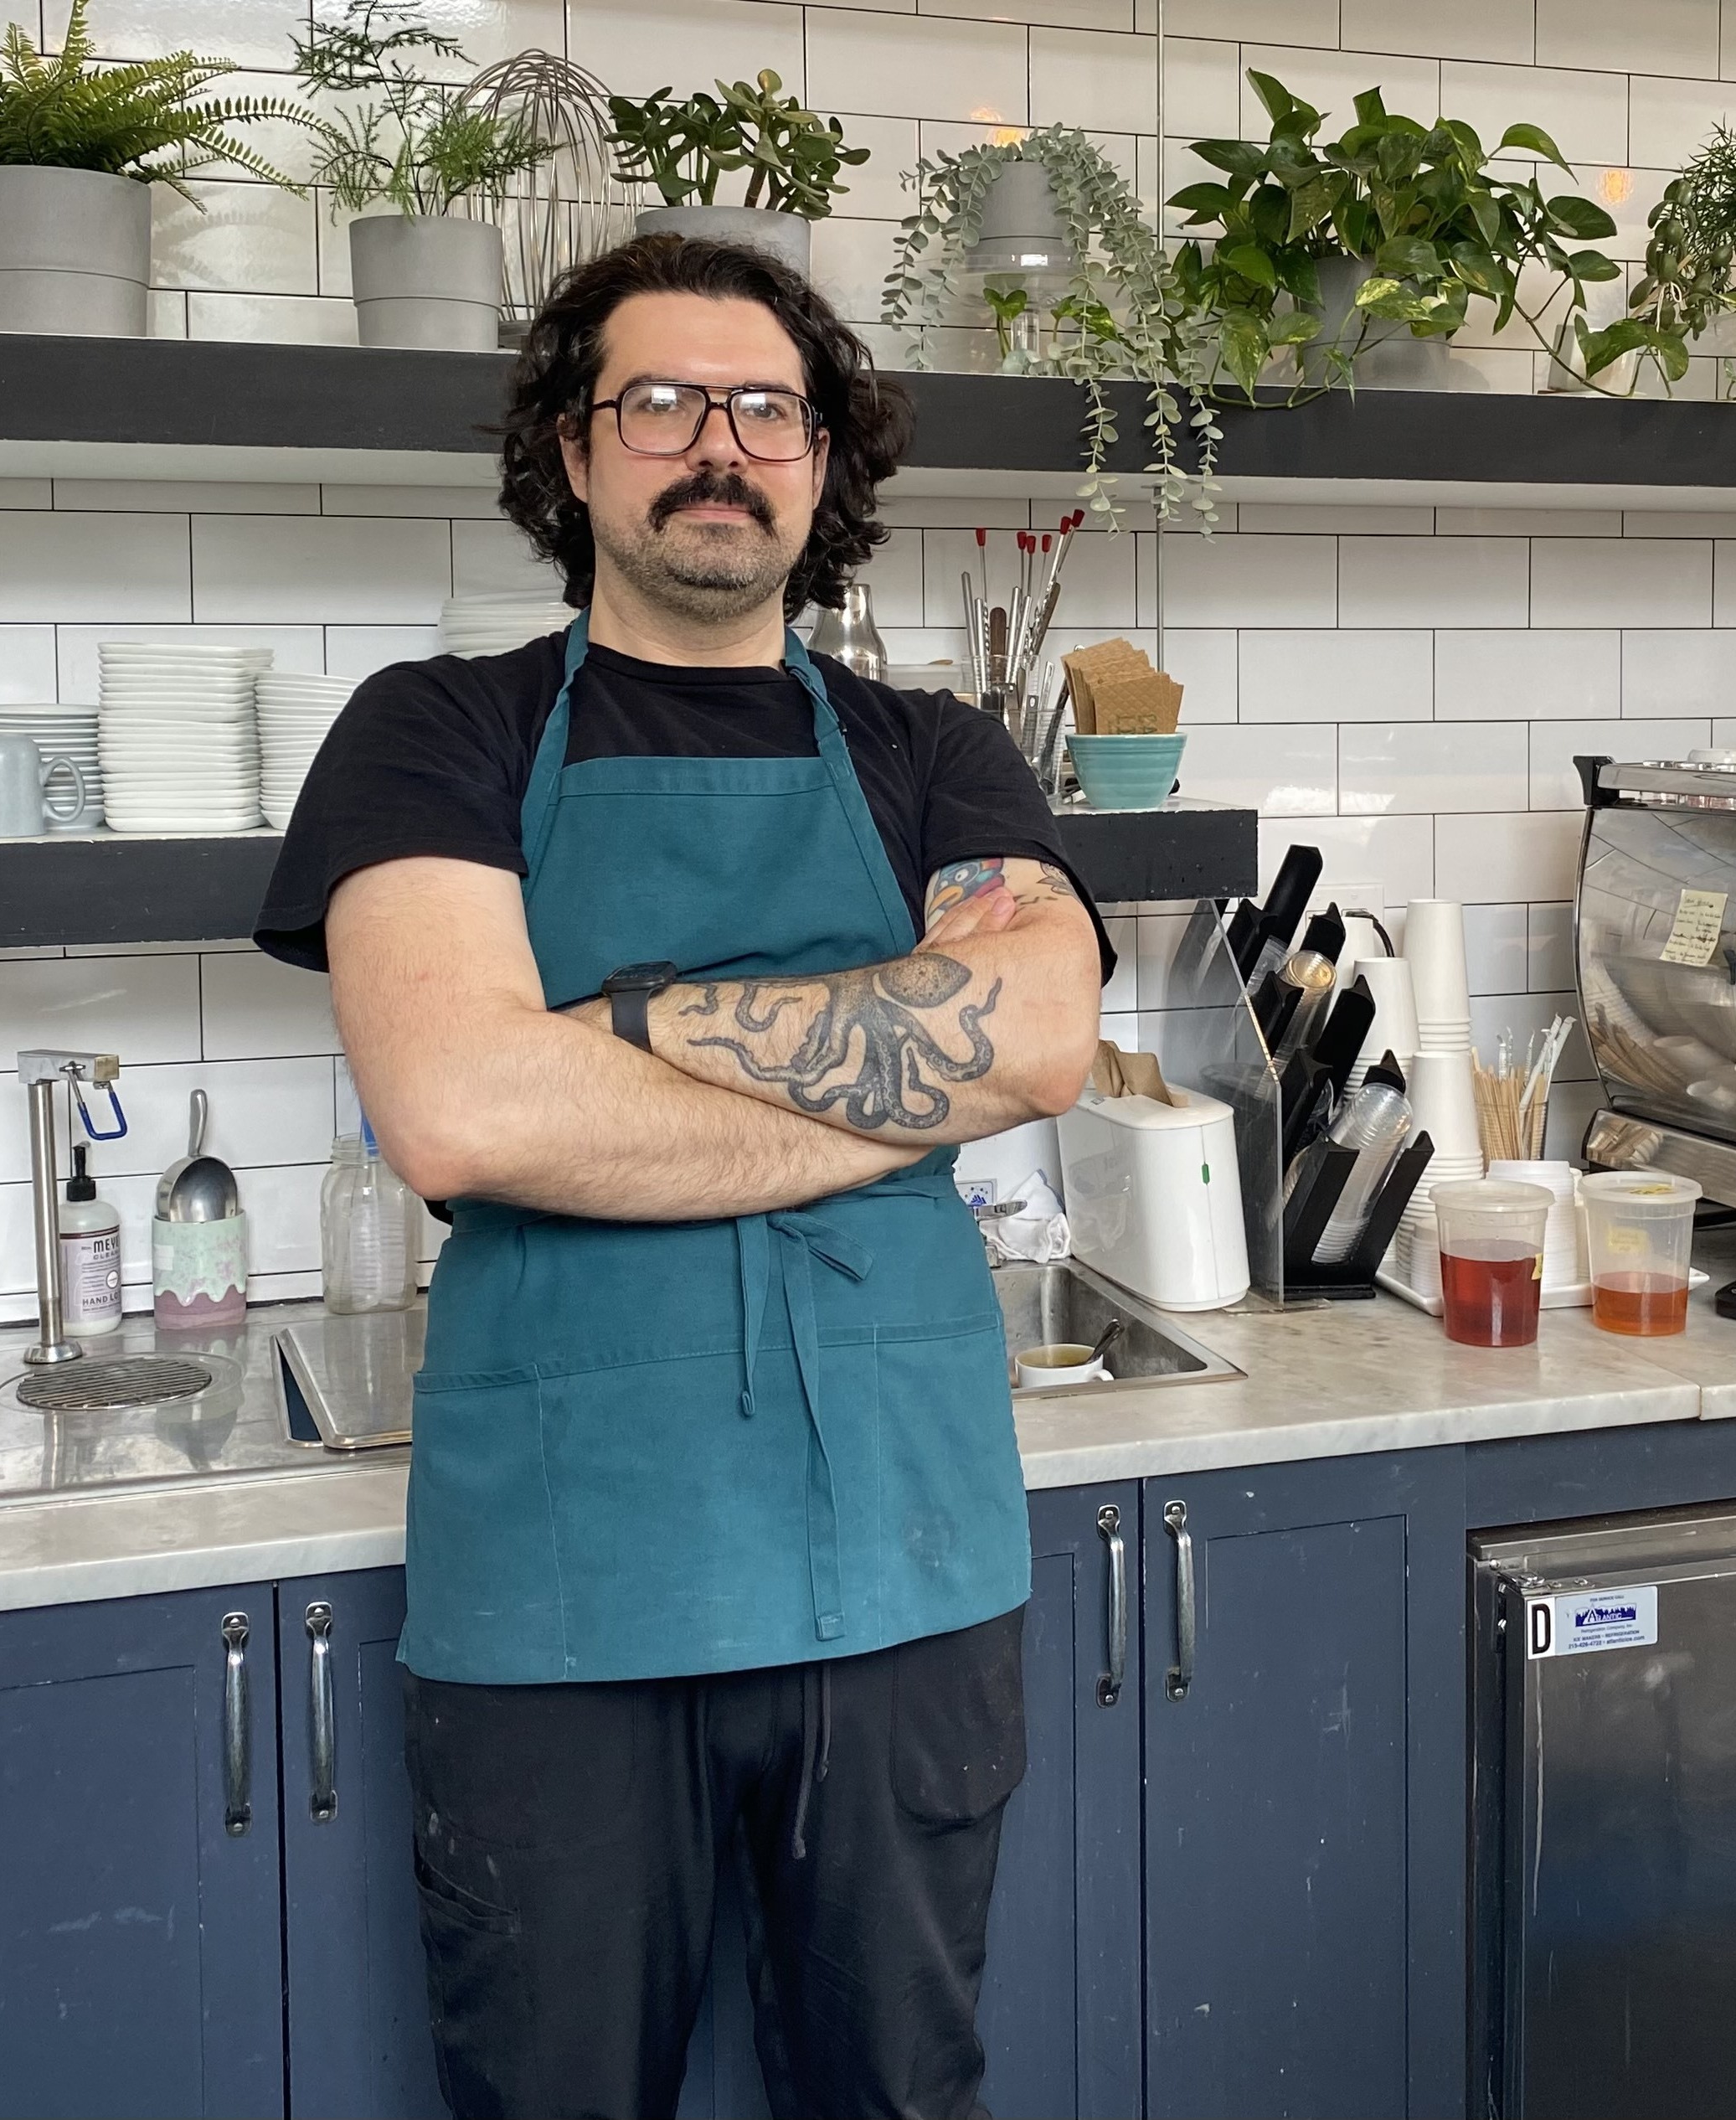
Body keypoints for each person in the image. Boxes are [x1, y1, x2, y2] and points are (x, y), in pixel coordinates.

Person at [254, 233, 1110, 2119]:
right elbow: (463, 1107)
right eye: (658, 403)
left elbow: (1038, 1036)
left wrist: (613, 1026)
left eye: (765, 411)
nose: (715, 446)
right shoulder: (439, 731)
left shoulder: (933, 753)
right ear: (574, 455)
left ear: (822, 465)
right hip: (563, 1585)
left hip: (903, 1562)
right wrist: (883, 1072)